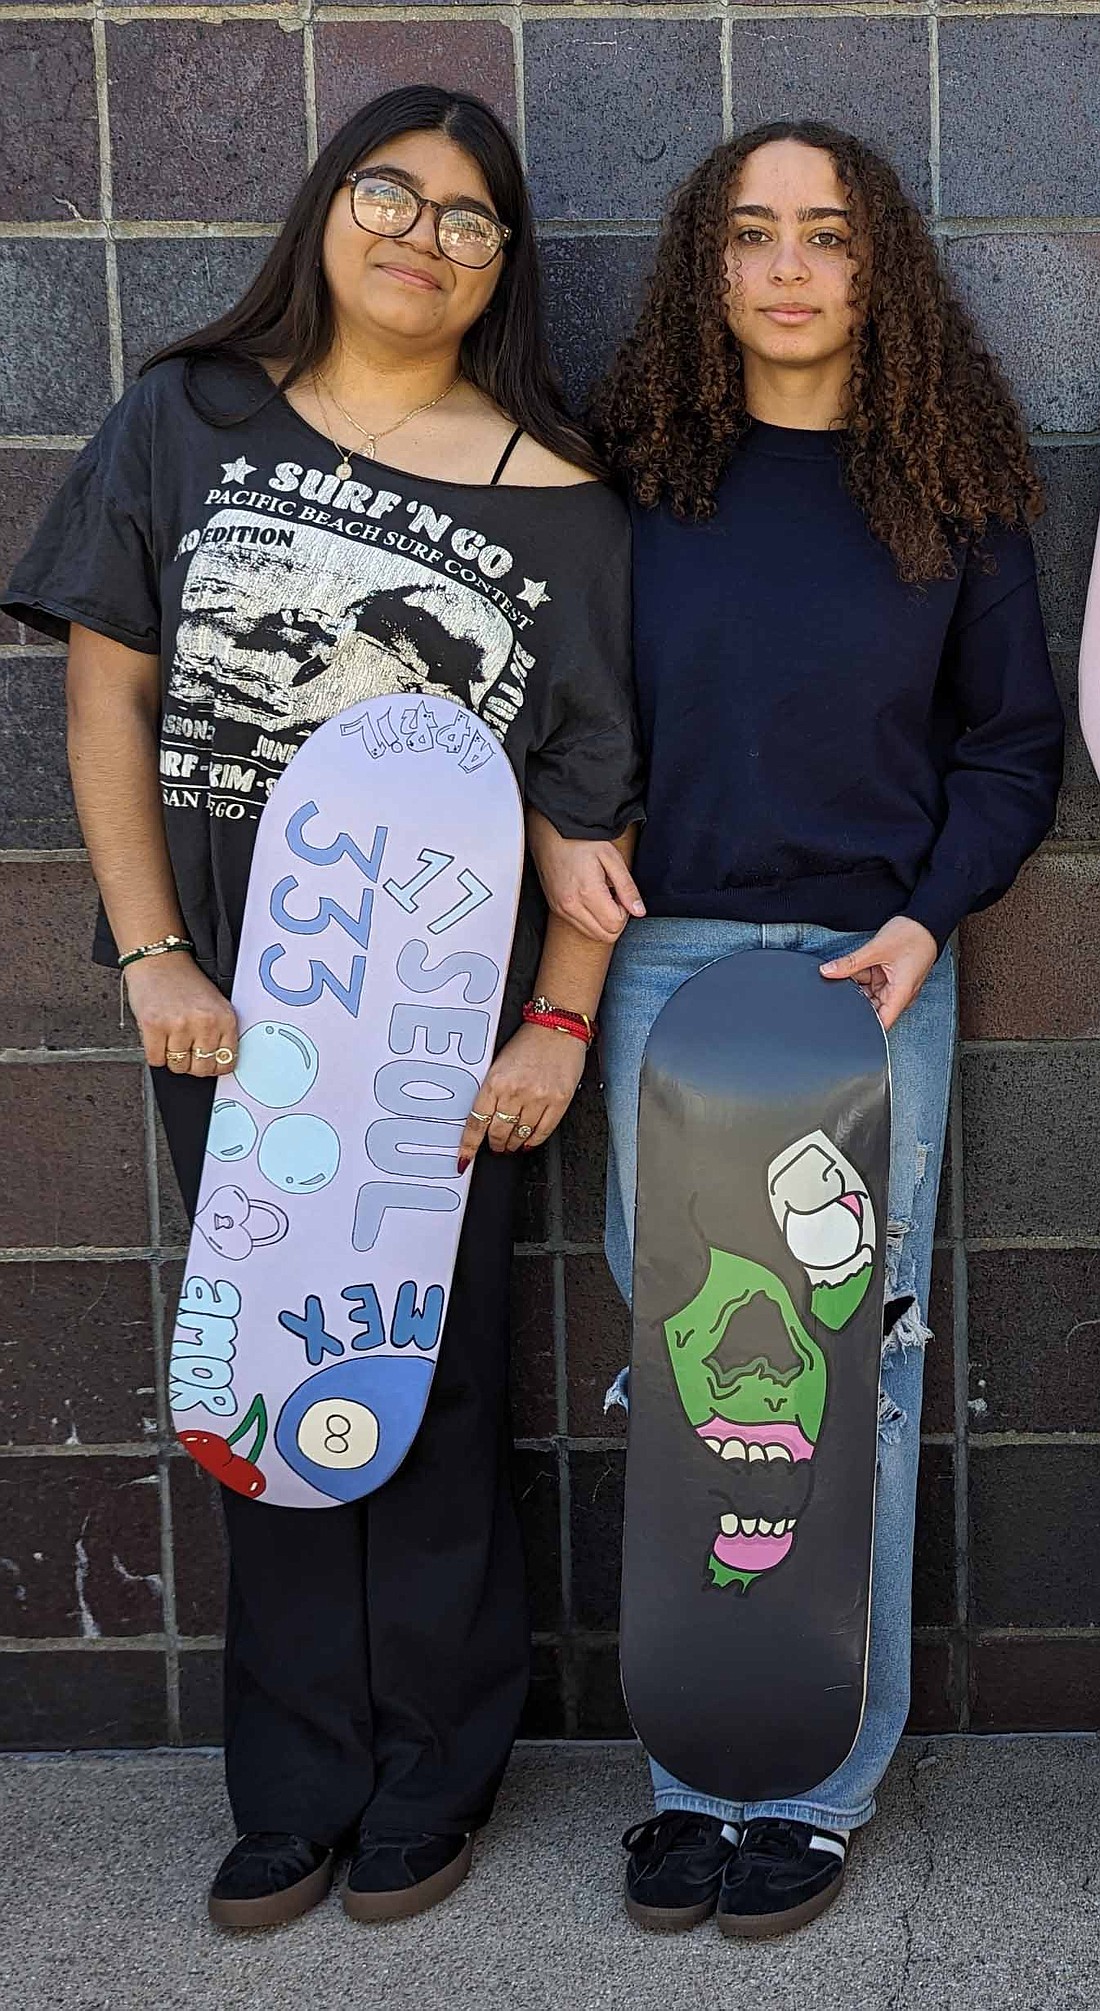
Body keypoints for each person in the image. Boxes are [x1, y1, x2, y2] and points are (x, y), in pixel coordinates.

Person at [4, 86, 641, 1930]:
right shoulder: (184, 421)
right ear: (326, 207)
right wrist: (153, 962)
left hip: (447, 1016)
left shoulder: (567, 500)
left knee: (426, 1389)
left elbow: (592, 789)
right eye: (392, 192)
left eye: (468, 218)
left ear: (502, 268)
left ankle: (433, 1777)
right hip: (227, 1007)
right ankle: (292, 1786)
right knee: (262, 1374)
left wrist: (559, 1021)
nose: (421, 235)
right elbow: (102, 709)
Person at [528, 120, 1064, 1939]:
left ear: (876, 268)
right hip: (666, 971)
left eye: (825, 237)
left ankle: (817, 1783)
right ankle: (698, 1773)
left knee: (856, 1374)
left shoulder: (958, 490)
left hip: (864, 985)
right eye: (750, 235)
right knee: (696, 1375)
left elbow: (1006, 752)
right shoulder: (634, 481)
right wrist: (565, 836)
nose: (786, 268)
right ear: (709, 266)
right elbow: (559, 709)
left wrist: (927, 919)